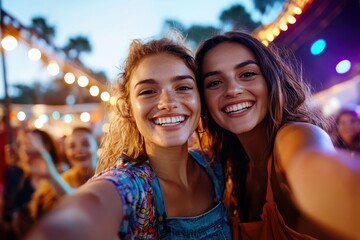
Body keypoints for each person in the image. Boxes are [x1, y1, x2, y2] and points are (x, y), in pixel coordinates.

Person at [25, 33, 231, 240]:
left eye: (183, 87)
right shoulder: (130, 185)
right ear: (128, 109)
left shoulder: (217, 167)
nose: (167, 102)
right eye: (148, 91)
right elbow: (89, 209)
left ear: (200, 99)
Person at [195, 31, 360, 239]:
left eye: (247, 74)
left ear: (271, 80)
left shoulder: (296, 136)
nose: (233, 90)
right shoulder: (229, 171)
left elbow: (315, 164)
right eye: (214, 83)